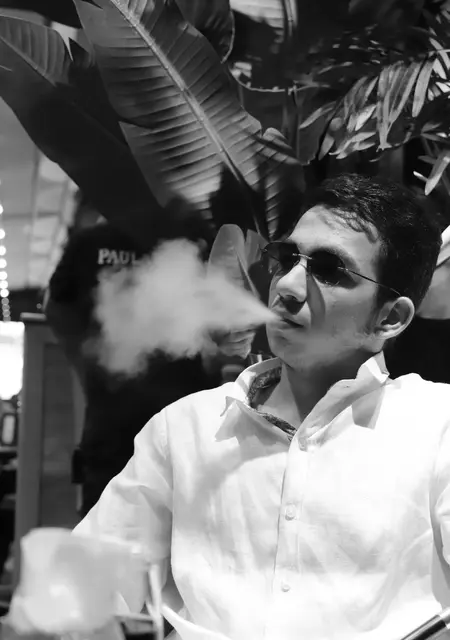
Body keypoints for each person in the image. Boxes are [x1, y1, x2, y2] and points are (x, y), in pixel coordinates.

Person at [75, 174, 450, 640]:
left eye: (329, 270)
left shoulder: (438, 428)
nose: (287, 286)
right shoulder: (186, 428)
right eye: (288, 258)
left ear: (390, 317)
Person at [45, 219, 220, 516]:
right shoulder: (92, 242)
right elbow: (57, 309)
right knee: (107, 527)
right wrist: (90, 361)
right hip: (113, 430)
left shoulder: (196, 234)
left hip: (186, 431)